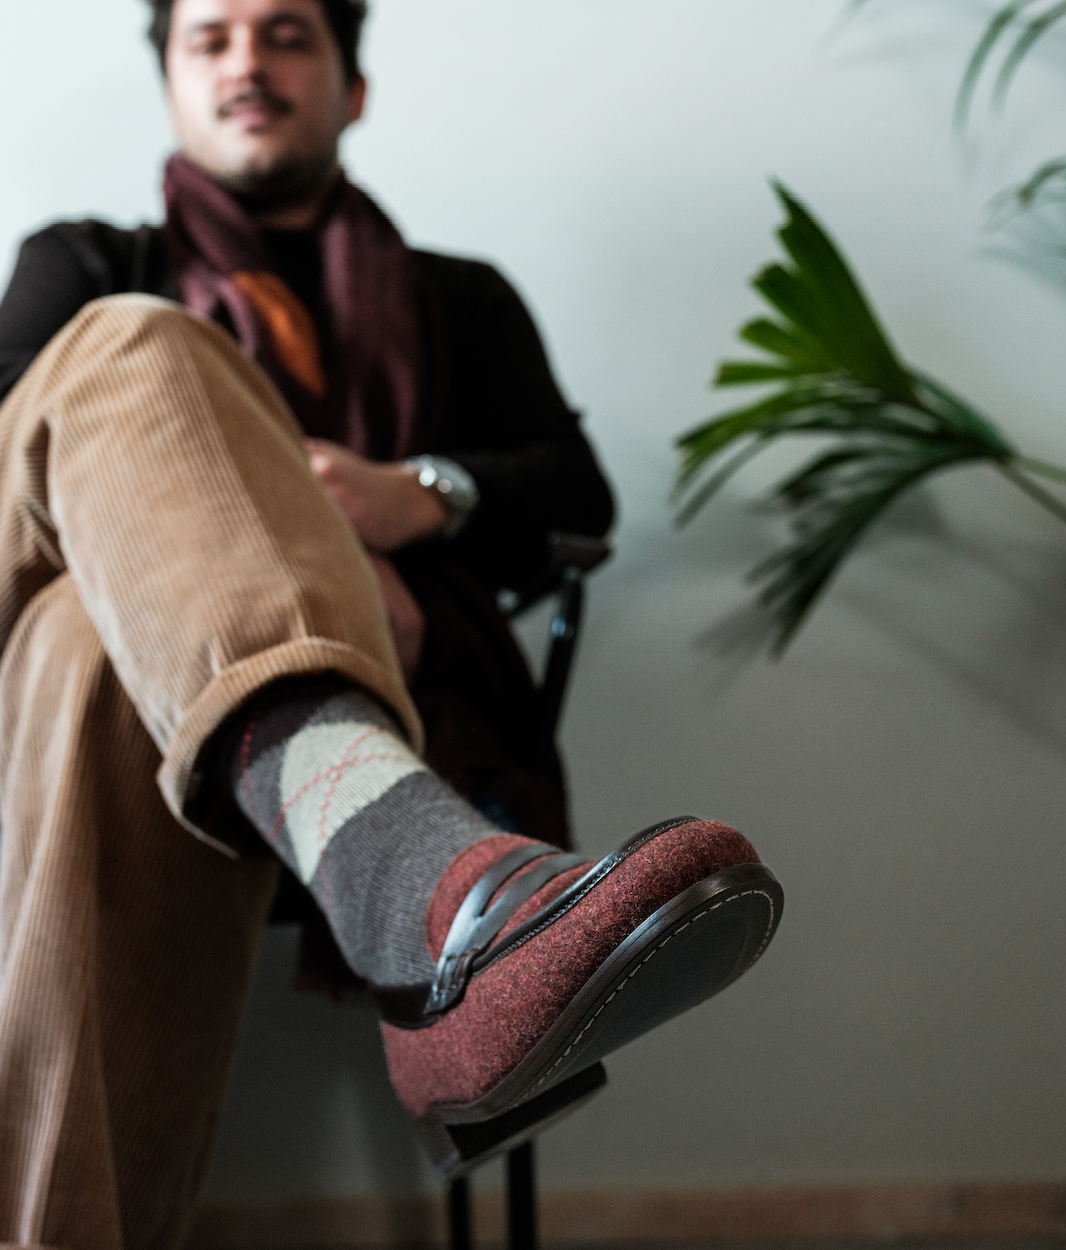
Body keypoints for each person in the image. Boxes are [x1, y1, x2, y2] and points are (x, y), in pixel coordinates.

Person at [0, 1, 783, 1246]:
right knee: (134, 348)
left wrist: (421, 493)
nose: (246, 60)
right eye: (210, 38)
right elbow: (36, 477)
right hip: (46, 630)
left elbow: (573, 493)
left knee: (90, 658)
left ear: (352, 88)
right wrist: (330, 566)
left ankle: (382, 856)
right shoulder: (91, 261)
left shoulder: (458, 300)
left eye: (286, 34)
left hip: (143, 713)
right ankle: (424, 890)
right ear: (171, 85)